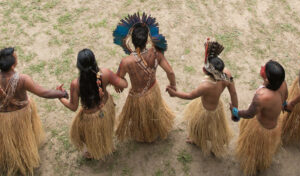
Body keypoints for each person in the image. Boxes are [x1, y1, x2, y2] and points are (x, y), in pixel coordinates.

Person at [0, 47, 67, 176]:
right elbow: (43, 93)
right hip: (21, 114)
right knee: (24, 138)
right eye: (15, 57)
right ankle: (25, 159)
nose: (16, 57)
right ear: (12, 65)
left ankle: (12, 159)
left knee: (10, 141)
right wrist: (61, 93)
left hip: (3, 118)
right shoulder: (23, 79)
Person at [165, 39, 238, 157]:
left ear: (207, 71)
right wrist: (235, 111)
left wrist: (175, 94)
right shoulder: (227, 74)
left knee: (198, 127)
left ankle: (199, 140)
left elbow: (189, 96)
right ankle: (213, 146)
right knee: (216, 131)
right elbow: (233, 94)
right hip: (216, 108)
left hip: (206, 111)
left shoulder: (206, 86)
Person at [113, 12, 177, 143]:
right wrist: (173, 85)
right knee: (154, 112)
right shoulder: (156, 53)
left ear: (131, 40)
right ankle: (154, 130)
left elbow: (119, 79)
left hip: (137, 96)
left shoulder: (126, 62)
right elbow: (170, 72)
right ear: (147, 40)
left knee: (141, 119)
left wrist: (119, 85)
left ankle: (144, 134)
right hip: (153, 91)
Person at [58, 49, 128, 160]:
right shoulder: (105, 73)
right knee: (106, 128)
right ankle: (108, 145)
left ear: (79, 65)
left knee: (90, 136)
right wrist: (119, 78)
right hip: (106, 108)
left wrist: (60, 97)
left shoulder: (75, 84)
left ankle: (92, 152)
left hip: (90, 117)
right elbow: (124, 84)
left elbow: (73, 107)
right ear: (94, 61)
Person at [235, 60, 286, 175]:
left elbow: (249, 113)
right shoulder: (283, 85)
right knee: (264, 151)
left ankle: (252, 167)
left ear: (267, 79)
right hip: (273, 124)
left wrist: (236, 112)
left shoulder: (262, 96)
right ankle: (261, 162)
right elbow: (284, 100)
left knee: (253, 152)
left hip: (262, 129)